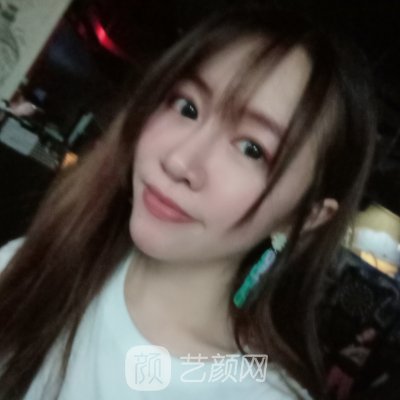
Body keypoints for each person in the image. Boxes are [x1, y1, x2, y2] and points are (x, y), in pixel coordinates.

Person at [0, 4, 375, 400]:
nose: (179, 161)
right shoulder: (44, 261)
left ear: (306, 216)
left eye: (252, 149)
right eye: (187, 107)